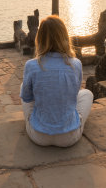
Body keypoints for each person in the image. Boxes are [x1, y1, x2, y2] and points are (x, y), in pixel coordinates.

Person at [20, 15, 94, 147]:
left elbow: (26, 98)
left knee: (23, 88)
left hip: (39, 136)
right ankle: (71, 121)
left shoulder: (31, 65)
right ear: (64, 36)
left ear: (40, 38)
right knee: (87, 94)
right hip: (69, 137)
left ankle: (40, 120)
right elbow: (74, 94)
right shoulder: (76, 64)